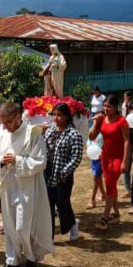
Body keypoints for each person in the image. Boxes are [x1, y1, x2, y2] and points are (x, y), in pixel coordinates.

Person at [0, 102, 54, 267]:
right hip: (8, 185)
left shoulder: (33, 133)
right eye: (2, 122)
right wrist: (1, 160)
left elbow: (40, 161)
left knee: (23, 225)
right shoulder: (1, 134)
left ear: (18, 117)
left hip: (28, 187)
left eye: (8, 122)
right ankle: (12, 260)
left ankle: (31, 259)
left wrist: (17, 160)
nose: (5, 126)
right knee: (9, 225)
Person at [89, 94, 130, 230]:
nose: (106, 109)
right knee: (110, 185)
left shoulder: (122, 121)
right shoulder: (102, 119)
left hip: (118, 158)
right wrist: (95, 123)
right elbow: (92, 136)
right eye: (105, 106)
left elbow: (127, 141)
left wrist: (124, 161)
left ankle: (105, 216)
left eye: (109, 106)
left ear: (116, 107)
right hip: (105, 157)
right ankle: (116, 214)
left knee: (110, 184)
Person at [44, 103, 83, 241]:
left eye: (59, 115)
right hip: (48, 172)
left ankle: (72, 224)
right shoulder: (50, 131)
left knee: (62, 203)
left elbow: (76, 157)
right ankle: (49, 237)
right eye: (54, 114)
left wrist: (65, 172)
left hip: (63, 175)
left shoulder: (74, 134)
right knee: (48, 204)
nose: (56, 118)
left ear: (67, 116)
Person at [86, 133, 106, 209]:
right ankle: (104, 195)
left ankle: (92, 200)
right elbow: (88, 142)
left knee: (96, 178)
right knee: (98, 178)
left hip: (101, 158)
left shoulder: (102, 133)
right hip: (93, 158)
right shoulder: (92, 131)